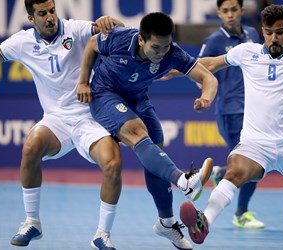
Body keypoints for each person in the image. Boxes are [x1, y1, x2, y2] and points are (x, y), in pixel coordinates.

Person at [178, 4, 283, 245]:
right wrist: (175, 69)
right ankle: (203, 221)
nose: (273, 38)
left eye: (279, 32)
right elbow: (212, 63)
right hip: (255, 143)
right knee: (234, 172)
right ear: (262, 30)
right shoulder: (246, 52)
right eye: (268, 32)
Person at [77, 11, 217, 250]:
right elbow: (92, 44)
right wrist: (82, 81)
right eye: (156, 47)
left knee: (155, 149)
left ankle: (166, 222)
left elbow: (208, 78)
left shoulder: (172, 53)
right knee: (137, 130)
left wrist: (205, 98)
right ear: (141, 40)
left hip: (138, 99)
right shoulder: (120, 38)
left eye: (166, 46)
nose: (161, 53)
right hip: (105, 93)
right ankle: (184, 180)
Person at [0, 0, 125, 249]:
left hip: (90, 117)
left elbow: (114, 29)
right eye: (42, 14)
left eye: (52, 11)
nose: (50, 17)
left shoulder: (75, 29)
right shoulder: (22, 42)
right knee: (31, 147)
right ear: (32, 19)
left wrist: (112, 23)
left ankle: (102, 234)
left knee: (113, 163)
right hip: (56, 120)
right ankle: (32, 222)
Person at [198, 0, 264, 229]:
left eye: (234, 10)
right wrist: (205, 94)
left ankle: (221, 172)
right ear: (219, 13)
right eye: (225, 11)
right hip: (230, 111)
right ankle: (241, 213)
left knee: (257, 163)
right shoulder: (215, 41)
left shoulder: (253, 34)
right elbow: (198, 68)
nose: (230, 15)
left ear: (242, 11)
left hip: (255, 110)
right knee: (251, 162)